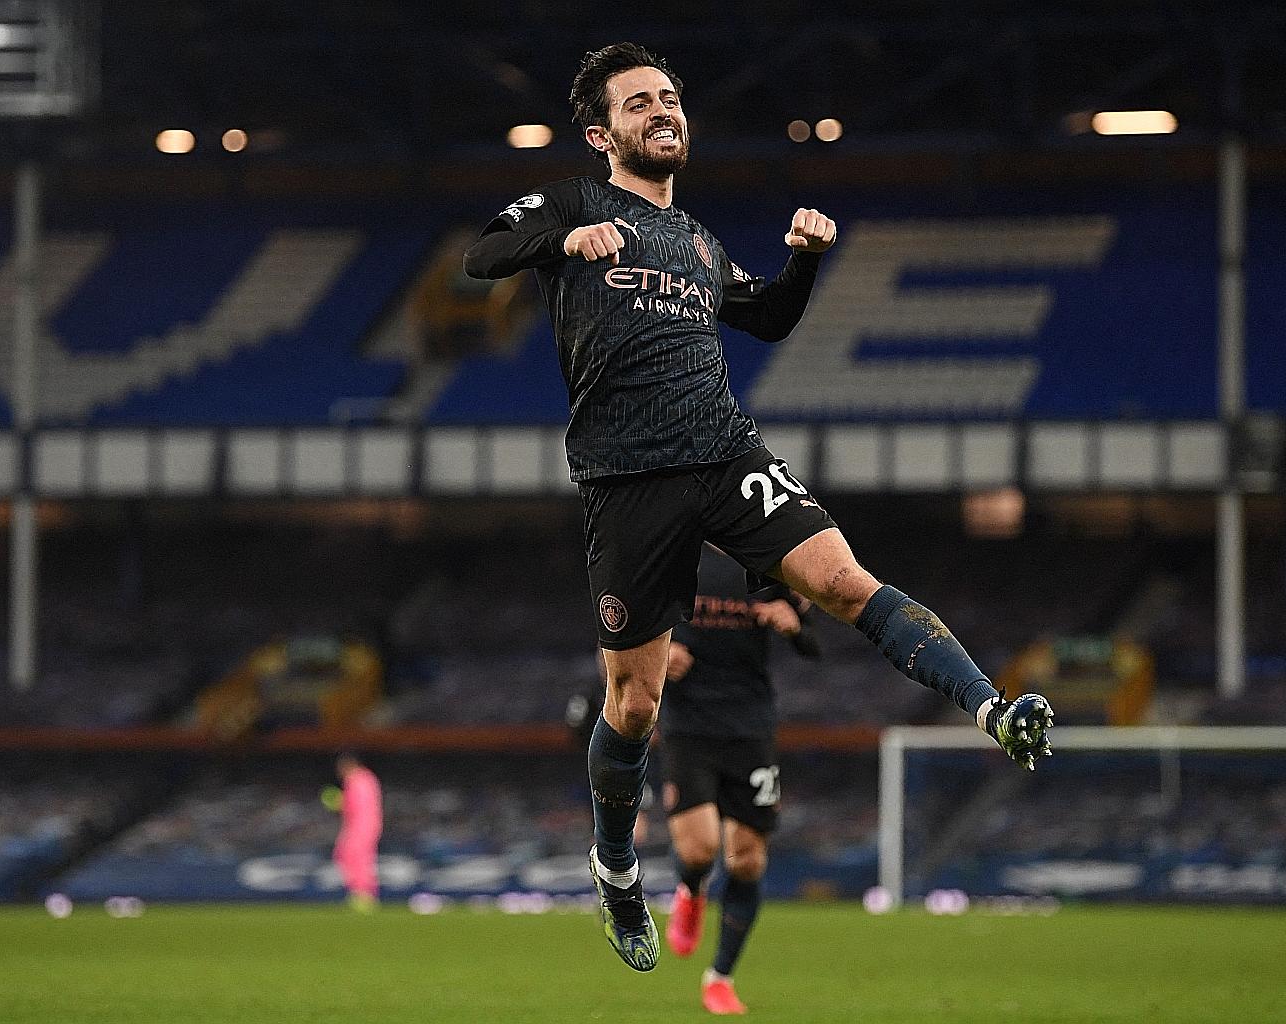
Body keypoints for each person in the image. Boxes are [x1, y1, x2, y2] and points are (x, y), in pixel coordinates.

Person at [464, 41, 1053, 973]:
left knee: (846, 581)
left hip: (726, 452)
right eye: (640, 102)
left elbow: (767, 317)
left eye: (670, 97)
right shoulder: (576, 203)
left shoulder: (698, 241)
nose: (663, 110)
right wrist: (560, 240)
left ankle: (992, 709)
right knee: (634, 699)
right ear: (600, 132)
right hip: (628, 478)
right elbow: (482, 254)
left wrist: (802, 262)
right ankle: (617, 871)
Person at [661, 545, 819, 1015]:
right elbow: (617, 637)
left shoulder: (766, 555)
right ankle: (691, 890)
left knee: (747, 861)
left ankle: (721, 978)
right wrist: (662, 652)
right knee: (699, 849)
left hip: (750, 731)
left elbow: (813, 641)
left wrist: (793, 625)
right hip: (689, 730)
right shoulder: (671, 557)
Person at [331, 753, 382, 912]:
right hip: (366, 824)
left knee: (355, 857)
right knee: (349, 855)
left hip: (361, 824)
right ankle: (361, 893)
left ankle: (363, 895)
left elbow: (354, 806)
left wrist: (338, 802)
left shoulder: (356, 780)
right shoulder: (367, 778)